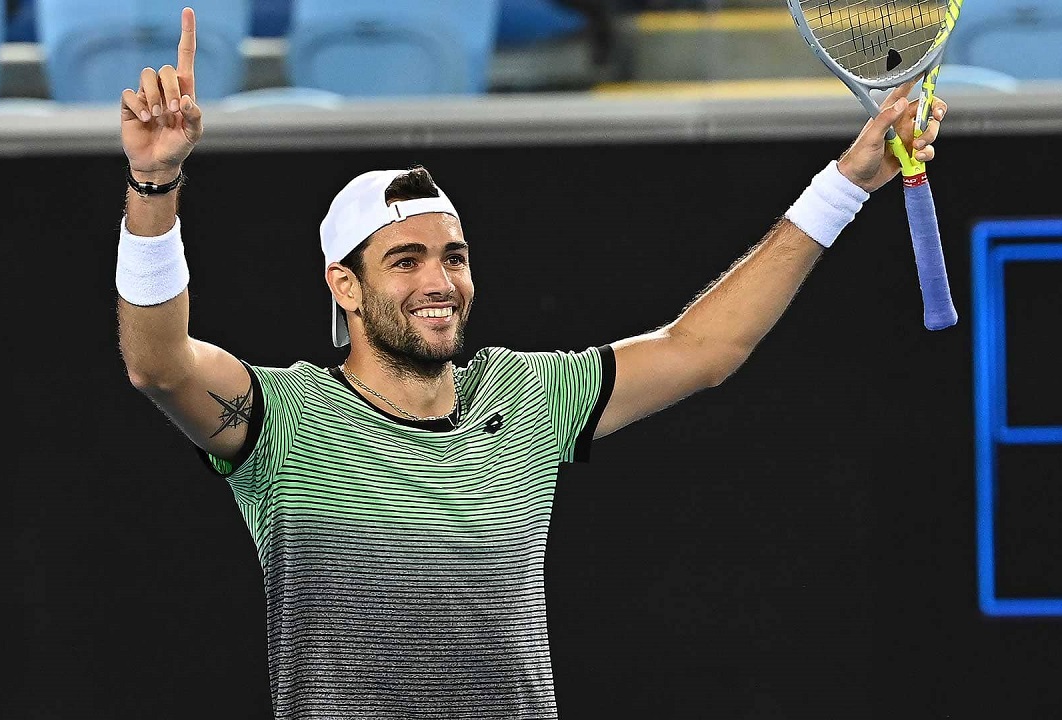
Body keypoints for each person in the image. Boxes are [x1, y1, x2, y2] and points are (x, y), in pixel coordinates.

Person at [115, 7, 946, 718]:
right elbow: (159, 365)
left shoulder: (528, 395)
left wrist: (848, 181)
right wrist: (155, 186)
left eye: (454, 255)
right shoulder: (284, 421)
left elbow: (704, 348)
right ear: (346, 285)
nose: (440, 281)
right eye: (405, 261)